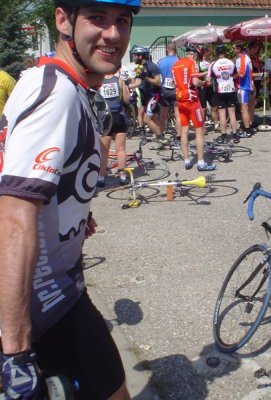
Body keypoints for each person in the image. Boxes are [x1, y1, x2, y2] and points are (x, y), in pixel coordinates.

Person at [0, 0, 141, 399]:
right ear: (63, 20)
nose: (112, 34)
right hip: (43, 302)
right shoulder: (56, 94)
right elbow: (12, 216)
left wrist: (70, 214)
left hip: (60, 288)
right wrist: (15, 352)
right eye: (97, 18)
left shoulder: (70, 86)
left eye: (122, 21)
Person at [171, 44, 216, 171]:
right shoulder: (192, 63)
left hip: (180, 99)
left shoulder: (176, 65)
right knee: (199, 130)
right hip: (191, 99)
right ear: (195, 55)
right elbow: (195, 82)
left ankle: (186, 160)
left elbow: (176, 83)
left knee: (184, 130)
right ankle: (201, 163)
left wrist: (202, 74)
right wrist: (204, 82)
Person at [97, 70, 131, 187]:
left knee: (104, 151)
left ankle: (101, 178)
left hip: (106, 118)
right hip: (119, 116)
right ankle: (122, 176)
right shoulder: (119, 80)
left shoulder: (98, 81)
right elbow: (127, 100)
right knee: (120, 149)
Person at [130, 46, 166, 147]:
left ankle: (161, 138)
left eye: (134, 55)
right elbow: (139, 81)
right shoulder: (141, 67)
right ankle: (159, 140)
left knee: (146, 119)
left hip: (154, 95)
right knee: (153, 118)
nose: (133, 57)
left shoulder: (151, 66)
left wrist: (146, 78)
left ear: (140, 56)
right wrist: (128, 86)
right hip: (147, 95)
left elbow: (158, 82)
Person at [207, 45, 239, 144]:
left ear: (217, 53)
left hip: (220, 90)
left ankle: (224, 136)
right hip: (231, 89)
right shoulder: (231, 62)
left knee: (222, 114)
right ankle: (235, 136)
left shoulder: (213, 64)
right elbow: (236, 74)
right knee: (232, 113)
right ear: (225, 52)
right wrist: (230, 77)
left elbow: (208, 79)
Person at [157, 42, 181, 142]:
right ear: (175, 50)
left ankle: (160, 135)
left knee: (163, 114)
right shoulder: (178, 61)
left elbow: (157, 76)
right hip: (175, 88)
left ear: (167, 50)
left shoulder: (161, 61)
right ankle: (179, 136)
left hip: (164, 89)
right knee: (178, 114)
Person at [233, 41, 254, 138]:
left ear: (238, 49)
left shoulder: (242, 59)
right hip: (245, 86)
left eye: (234, 48)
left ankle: (247, 130)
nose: (232, 50)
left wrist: (230, 75)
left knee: (244, 110)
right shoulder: (243, 57)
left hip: (244, 87)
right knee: (245, 109)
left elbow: (241, 74)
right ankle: (246, 127)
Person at [198, 45, 219, 132]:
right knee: (203, 108)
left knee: (215, 107)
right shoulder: (199, 62)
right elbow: (197, 75)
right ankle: (202, 127)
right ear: (205, 52)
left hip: (211, 87)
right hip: (202, 88)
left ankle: (216, 125)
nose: (210, 52)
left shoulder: (211, 62)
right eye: (209, 51)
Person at [247, 40, 264, 129]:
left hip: (257, 81)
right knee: (250, 103)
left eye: (257, 49)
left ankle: (252, 120)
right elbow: (248, 73)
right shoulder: (247, 58)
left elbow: (259, 68)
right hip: (251, 82)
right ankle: (248, 122)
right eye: (255, 49)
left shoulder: (255, 57)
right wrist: (260, 74)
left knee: (254, 102)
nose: (256, 51)